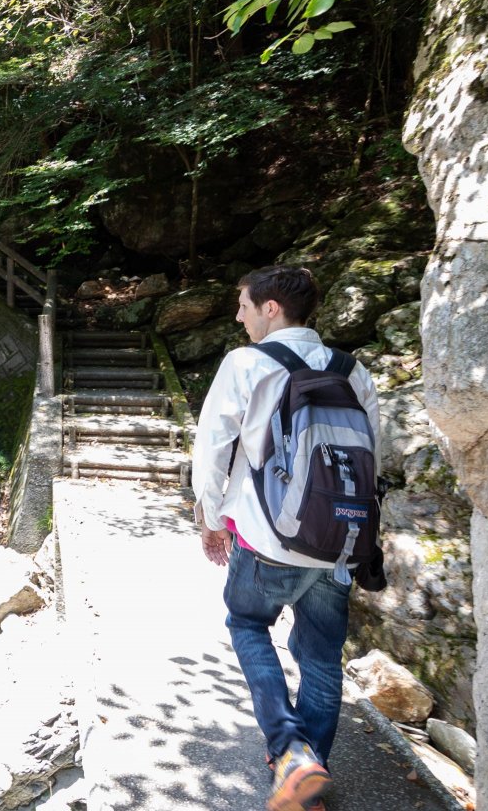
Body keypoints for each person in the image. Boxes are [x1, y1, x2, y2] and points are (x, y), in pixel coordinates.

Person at [190, 265, 382, 811]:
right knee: (322, 659)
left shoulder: (247, 364)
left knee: (247, 622)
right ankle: (307, 777)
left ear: (271, 308)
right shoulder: (353, 369)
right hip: (340, 543)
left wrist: (211, 519)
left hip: (267, 539)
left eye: (244, 305)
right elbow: (373, 458)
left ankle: (291, 755)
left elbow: (212, 449)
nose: (239, 315)